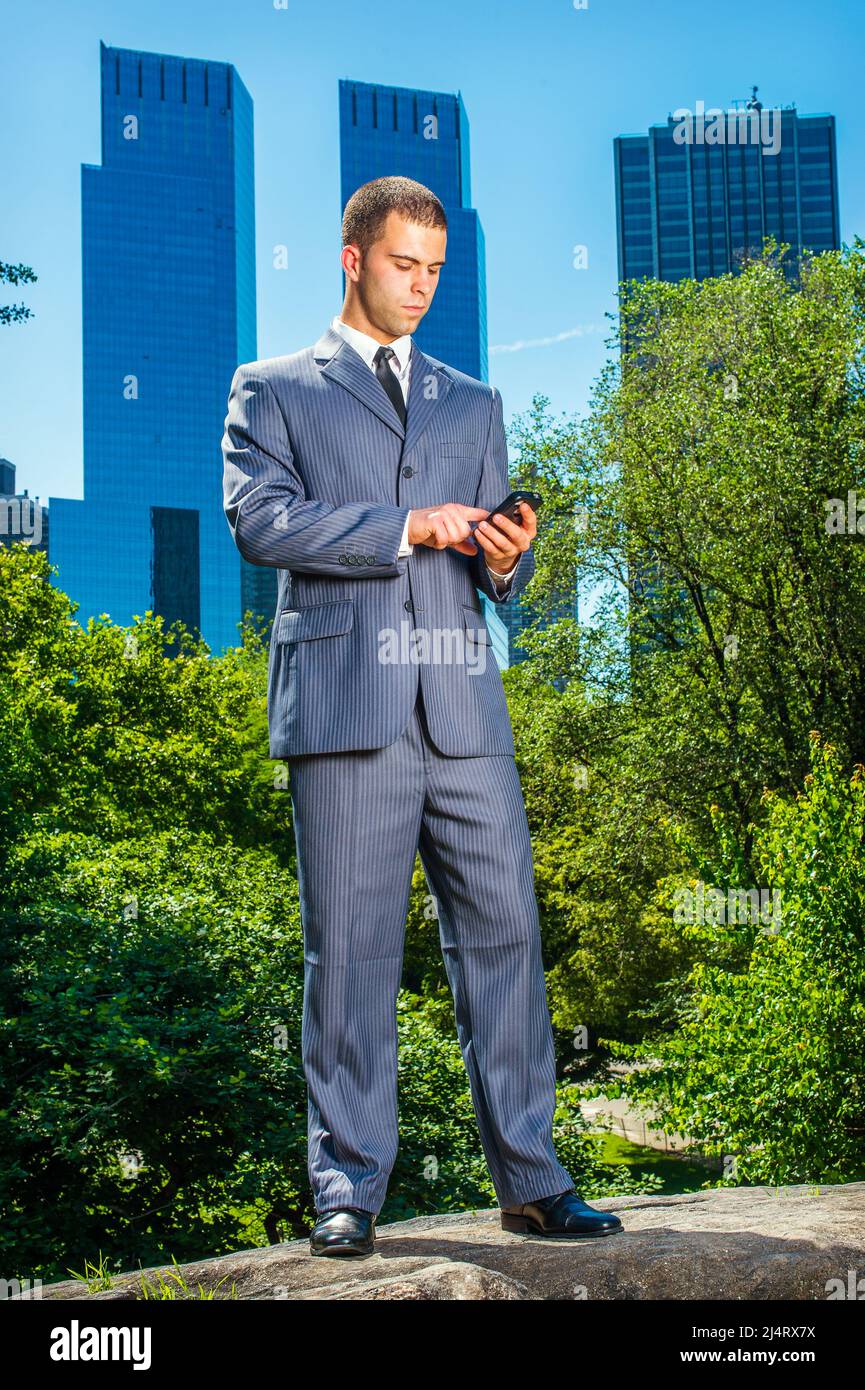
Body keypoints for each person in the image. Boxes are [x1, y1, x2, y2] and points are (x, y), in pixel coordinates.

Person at [221, 175, 623, 1256]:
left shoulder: (474, 401)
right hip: (345, 709)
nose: (422, 286)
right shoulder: (271, 388)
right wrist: (407, 525)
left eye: (437, 270)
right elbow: (261, 524)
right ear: (353, 259)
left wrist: (508, 553)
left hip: (462, 708)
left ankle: (533, 1177)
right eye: (405, 266)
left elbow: (499, 583)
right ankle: (347, 1188)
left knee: (504, 939)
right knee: (350, 957)